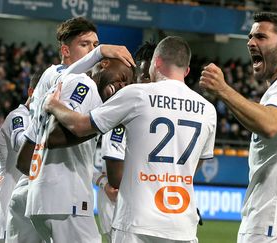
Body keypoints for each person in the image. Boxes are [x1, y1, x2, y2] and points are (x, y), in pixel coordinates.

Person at [45, 36, 217, 242]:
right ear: (187, 71)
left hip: (136, 221)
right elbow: (194, 164)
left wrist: (53, 105)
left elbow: (80, 127)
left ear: (156, 62)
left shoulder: (136, 94)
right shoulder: (208, 110)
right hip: (181, 224)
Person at [200, 12, 277, 243]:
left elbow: (271, 124)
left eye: (261, 37)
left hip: (273, 227)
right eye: (250, 36)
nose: (250, 42)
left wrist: (223, 90)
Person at [17, 57, 134, 243]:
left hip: (40, 200)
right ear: (104, 64)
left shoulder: (57, 89)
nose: (122, 85)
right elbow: (54, 136)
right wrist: (102, 124)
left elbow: (23, 162)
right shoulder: (85, 85)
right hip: (67, 201)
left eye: (127, 84)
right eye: (122, 77)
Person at [94, 40, 158, 242]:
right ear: (135, 76)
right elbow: (115, 178)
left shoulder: (156, 112)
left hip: (147, 211)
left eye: (153, 77)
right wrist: (103, 181)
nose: (149, 83)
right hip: (122, 212)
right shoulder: (124, 109)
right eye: (145, 76)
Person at [0, 71, 42, 242]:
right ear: (31, 92)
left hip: (26, 212)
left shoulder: (42, 121)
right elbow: (20, 142)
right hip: (6, 213)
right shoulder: (19, 117)